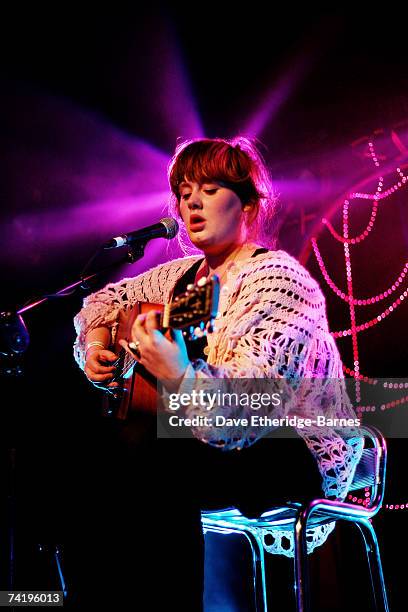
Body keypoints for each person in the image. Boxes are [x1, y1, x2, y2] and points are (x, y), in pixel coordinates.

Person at [72, 137, 363, 610]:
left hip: (286, 448)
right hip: (191, 443)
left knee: (156, 455)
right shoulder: (185, 282)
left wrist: (178, 374)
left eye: (209, 188)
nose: (191, 201)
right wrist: (97, 346)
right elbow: (102, 304)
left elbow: (245, 413)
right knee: (95, 455)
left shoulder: (276, 280)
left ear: (247, 203)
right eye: (185, 190)